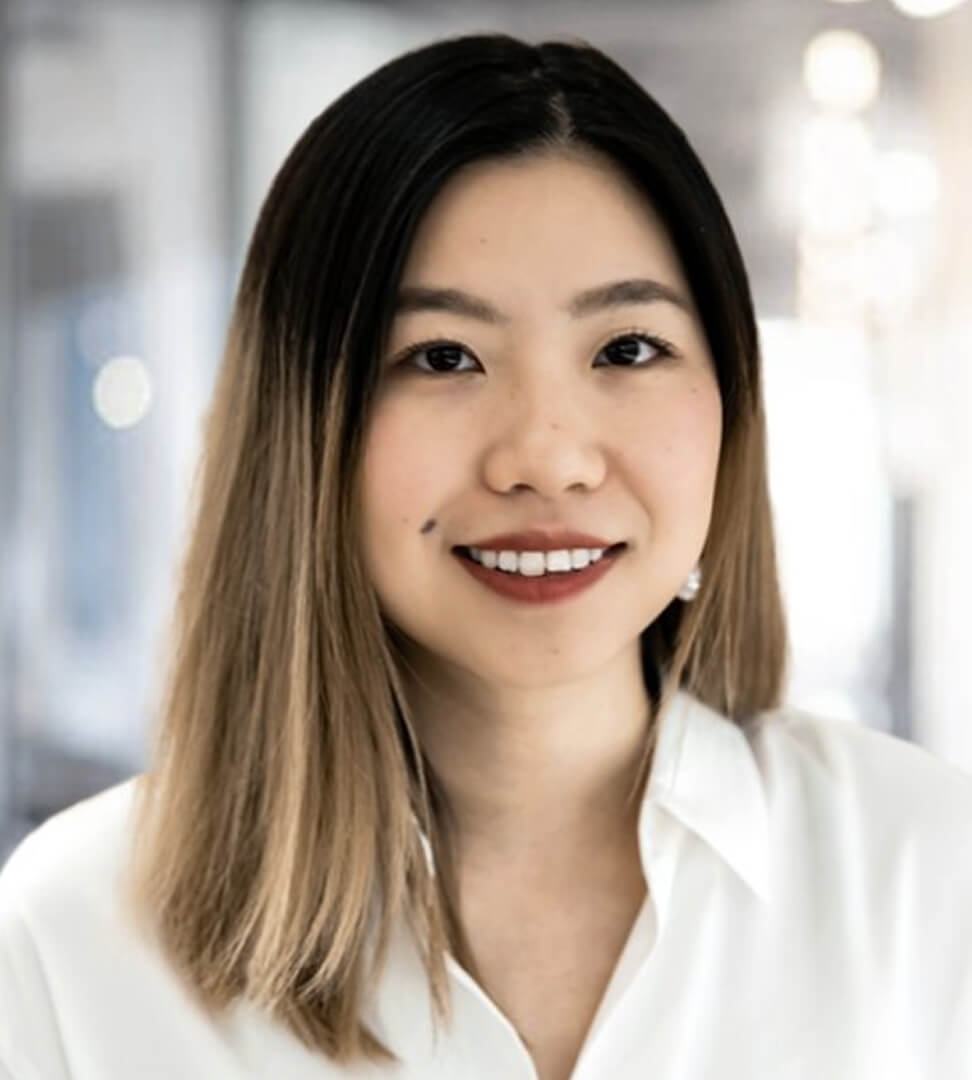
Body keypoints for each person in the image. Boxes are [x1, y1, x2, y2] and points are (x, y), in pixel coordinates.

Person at [1, 31, 970, 1080]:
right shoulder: (80, 933)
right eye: (442, 357)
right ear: (304, 427)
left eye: (627, 349)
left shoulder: (923, 874)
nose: (546, 457)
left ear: (731, 397)